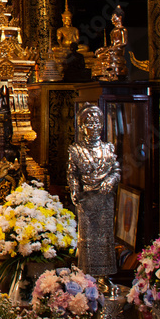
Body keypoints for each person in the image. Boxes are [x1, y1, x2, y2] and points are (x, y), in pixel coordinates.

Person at [68, 104, 120, 278]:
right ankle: (87, 276)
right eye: (89, 123)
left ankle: (106, 276)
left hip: (104, 199)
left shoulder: (108, 149)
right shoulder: (76, 150)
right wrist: (75, 190)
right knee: (87, 239)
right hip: (87, 200)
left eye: (97, 123)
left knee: (105, 239)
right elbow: (72, 173)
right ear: (82, 127)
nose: (94, 127)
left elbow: (116, 171)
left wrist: (110, 181)